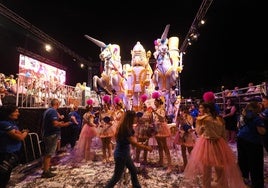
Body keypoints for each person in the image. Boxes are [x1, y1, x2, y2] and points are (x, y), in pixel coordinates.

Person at [184, 101, 246, 188]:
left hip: (206, 143)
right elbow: (223, 134)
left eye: (201, 107)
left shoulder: (202, 119)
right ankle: (223, 185)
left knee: (206, 169)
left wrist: (202, 127)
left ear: (207, 109)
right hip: (219, 143)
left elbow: (198, 132)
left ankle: (207, 186)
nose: (199, 109)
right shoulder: (219, 118)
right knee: (220, 168)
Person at [105, 110, 153, 188]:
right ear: (131, 118)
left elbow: (131, 141)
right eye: (135, 117)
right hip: (121, 155)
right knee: (116, 177)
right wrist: (146, 147)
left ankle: (136, 186)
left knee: (133, 170)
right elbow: (133, 143)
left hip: (124, 154)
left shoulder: (126, 126)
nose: (136, 119)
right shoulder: (125, 129)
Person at [237, 101, 266, 187]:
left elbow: (238, 126)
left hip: (241, 138)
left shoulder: (242, 116)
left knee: (243, 160)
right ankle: (257, 184)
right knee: (256, 164)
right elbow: (262, 131)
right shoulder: (257, 117)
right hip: (253, 142)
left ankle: (244, 179)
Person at [41, 98, 73, 178]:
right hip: (51, 134)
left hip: (48, 133)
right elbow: (55, 124)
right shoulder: (53, 111)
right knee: (49, 153)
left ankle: (46, 167)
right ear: (57, 104)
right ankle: (46, 171)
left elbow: (53, 122)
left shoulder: (48, 110)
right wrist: (65, 124)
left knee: (48, 152)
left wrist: (59, 122)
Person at [0, 105, 29, 188]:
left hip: (12, 153)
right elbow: (19, 137)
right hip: (5, 154)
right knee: (3, 177)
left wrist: (21, 133)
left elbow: (19, 133)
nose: (18, 113)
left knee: (6, 176)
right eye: (16, 111)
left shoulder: (12, 122)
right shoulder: (3, 123)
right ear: (8, 113)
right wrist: (25, 132)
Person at [152, 93, 172, 173]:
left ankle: (169, 165)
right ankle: (161, 161)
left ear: (158, 102)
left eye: (155, 102)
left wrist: (155, 112)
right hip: (157, 128)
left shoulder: (162, 109)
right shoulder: (156, 109)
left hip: (162, 128)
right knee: (159, 145)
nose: (154, 103)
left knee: (165, 146)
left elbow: (162, 118)